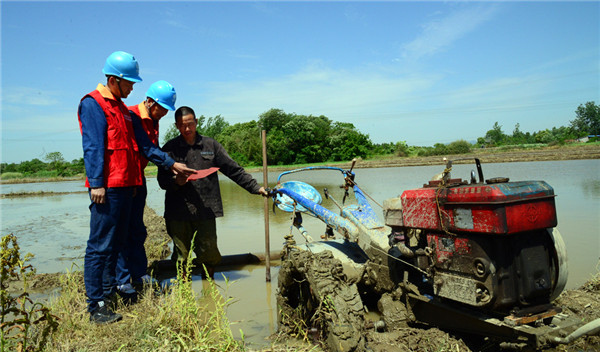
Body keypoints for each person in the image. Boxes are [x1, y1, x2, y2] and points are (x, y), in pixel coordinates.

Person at [78, 51, 194, 324]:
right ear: (113, 79)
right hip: (108, 186)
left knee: (117, 242)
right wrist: (97, 183)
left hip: (127, 185)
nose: (132, 88)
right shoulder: (93, 104)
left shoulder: (122, 110)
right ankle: (95, 305)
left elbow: (144, 146)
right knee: (99, 246)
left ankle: (111, 294)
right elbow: (93, 146)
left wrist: (172, 164)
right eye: (129, 82)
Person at [157, 106, 268, 279]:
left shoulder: (211, 145)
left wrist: (256, 188)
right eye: (181, 125)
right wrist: (175, 182)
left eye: (190, 124)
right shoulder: (169, 149)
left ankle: (208, 290)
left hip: (206, 210)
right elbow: (162, 181)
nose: (187, 129)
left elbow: (234, 170)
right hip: (178, 212)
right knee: (181, 258)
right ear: (176, 126)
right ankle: (183, 293)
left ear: (196, 122)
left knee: (209, 256)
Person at [115, 80, 177, 295]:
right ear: (150, 102)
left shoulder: (153, 120)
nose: (165, 114)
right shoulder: (130, 115)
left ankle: (139, 273)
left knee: (138, 229)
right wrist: (172, 164)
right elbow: (146, 149)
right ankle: (122, 280)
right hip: (124, 179)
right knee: (122, 231)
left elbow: (153, 150)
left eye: (168, 110)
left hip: (138, 178)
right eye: (162, 109)